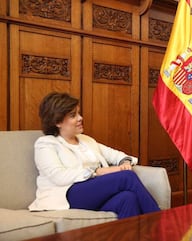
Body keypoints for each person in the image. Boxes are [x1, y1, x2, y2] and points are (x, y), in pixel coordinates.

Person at [28, 92, 160, 218]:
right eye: (73, 115)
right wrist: (96, 172)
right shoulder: (46, 143)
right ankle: (164, 225)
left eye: (78, 113)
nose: (80, 118)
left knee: (128, 198)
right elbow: (59, 176)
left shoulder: (86, 140)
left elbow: (118, 156)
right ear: (58, 122)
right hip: (66, 195)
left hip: (93, 194)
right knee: (126, 177)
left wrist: (125, 163)